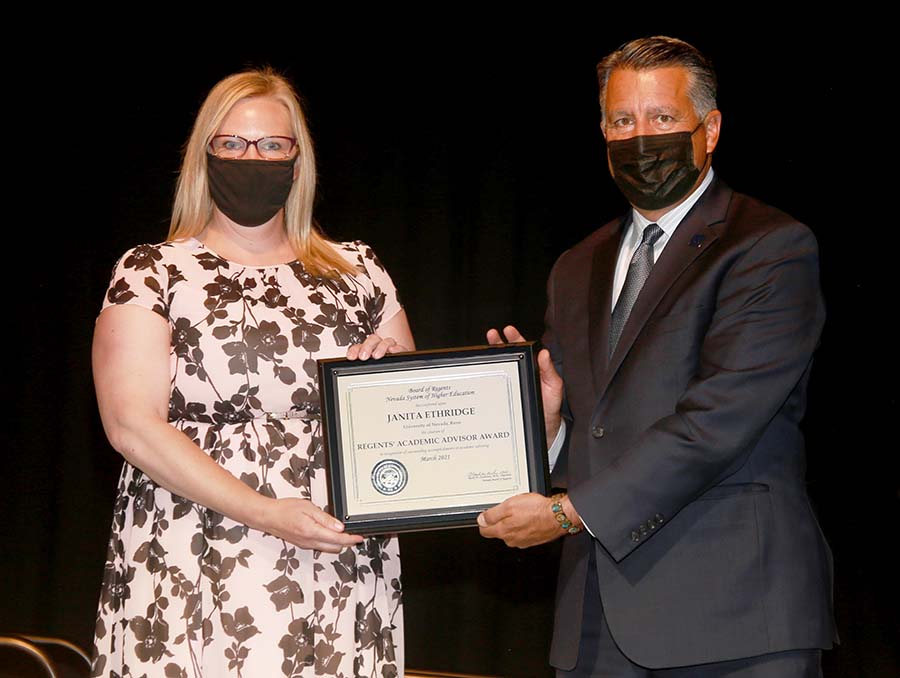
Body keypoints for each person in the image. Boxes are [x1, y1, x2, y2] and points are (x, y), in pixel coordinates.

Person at [478, 36, 836, 676]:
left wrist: (568, 513)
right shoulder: (576, 265)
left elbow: (718, 422)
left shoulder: (770, 248)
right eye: (622, 120)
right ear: (602, 132)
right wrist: (549, 427)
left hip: (735, 619)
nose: (641, 137)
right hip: (596, 623)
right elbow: (598, 425)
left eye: (663, 118)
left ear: (711, 129)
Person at [90, 68, 413, 677]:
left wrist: (393, 382)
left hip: (333, 551)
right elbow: (131, 425)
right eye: (232, 144)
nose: (252, 158)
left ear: (298, 160)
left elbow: (409, 417)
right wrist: (263, 511)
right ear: (203, 155)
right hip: (192, 547)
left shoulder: (359, 272)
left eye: (271, 145)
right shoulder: (153, 271)